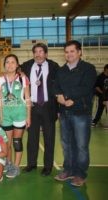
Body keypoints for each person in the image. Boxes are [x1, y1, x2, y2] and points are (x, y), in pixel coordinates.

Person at [54, 40, 97, 187]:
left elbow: (86, 88)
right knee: (66, 144)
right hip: (64, 113)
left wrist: (67, 97)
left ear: (79, 52)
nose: (69, 54)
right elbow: (56, 87)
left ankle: (80, 174)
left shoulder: (88, 69)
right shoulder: (61, 70)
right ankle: (68, 170)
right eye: (66, 52)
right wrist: (58, 96)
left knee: (81, 145)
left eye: (72, 51)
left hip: (81, 113)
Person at [21, 42, 59, 176]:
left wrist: (58, 109)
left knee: (49, 138)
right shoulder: (26, 66)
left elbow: (58, 86)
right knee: (32, 138)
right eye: (36, 52)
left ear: (46, 53)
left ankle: (48, 167)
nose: (38, 54)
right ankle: (31, 164)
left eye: (41, 51)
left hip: (48, 106)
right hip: (32, 106)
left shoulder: (54, 66)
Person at [0, 54, 31, 179]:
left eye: (12, 62)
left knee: (17, 142)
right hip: (6, 115)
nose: (10, 65)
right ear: (4, 64)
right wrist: (0, 115)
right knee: (7, 143)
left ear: (17, 65)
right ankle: (9, 163)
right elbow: (0, 99)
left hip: (19, 114)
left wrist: (28, 116)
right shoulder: (0, 80)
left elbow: (27, 98)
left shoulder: (23, 79)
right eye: (7, 62)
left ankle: (16, 167)